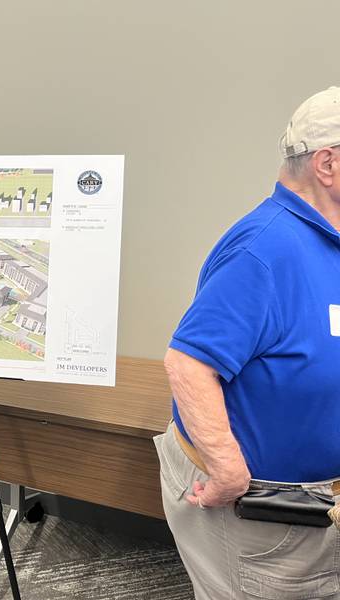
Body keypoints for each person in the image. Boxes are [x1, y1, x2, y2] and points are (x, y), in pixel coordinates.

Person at [158, 85, 340, 599]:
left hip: (319, 503)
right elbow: (188, 363)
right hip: (266, 516)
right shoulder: (262, 251)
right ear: (328, 164)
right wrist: (228, 472)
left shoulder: (327, 236)